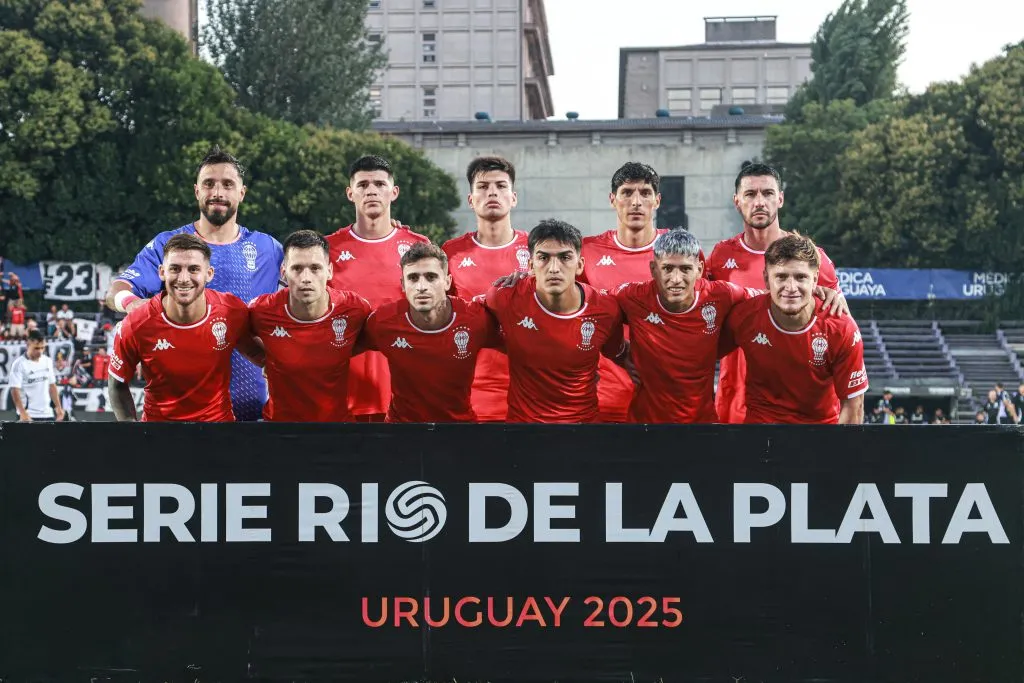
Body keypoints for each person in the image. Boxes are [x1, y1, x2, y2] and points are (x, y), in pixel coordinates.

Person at [103, 147, 282, 421]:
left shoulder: (268, 248)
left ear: (241, 193)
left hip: (255, 412)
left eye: (227, 184)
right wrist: (135, 305)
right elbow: (117, 290)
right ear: (197, 190)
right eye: (209, 183)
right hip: (181, 414)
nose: (218, 193)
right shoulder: (170, 244)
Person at [707, 162, 844, 424]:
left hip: (801, 408)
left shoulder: (813, 258)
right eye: (750, 194)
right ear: (737, 201)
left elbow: (839, 329)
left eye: (768, 193)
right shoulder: (720, 258)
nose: (760, 202)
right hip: (738, 405)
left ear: (780, 198)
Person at [107, 234, 263, 422]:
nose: (183, 278)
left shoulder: (231, 311)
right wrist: (134, 435)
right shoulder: (137, 324)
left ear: (209, 274)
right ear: (162, 272)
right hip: (159, 436)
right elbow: (117, 384)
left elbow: (258, 354)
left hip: (219, 433)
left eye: (193, 269)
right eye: (175, 269)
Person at [484, 219, 625, 423]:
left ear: (580, 265)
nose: (554, 268)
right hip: (523, 430)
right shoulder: (503, 298)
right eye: (543, 258)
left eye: (565, 257)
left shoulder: (606, 309)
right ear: (531, 265)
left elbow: (619, 353)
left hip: (583, 429)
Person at [326, 155, 431, 422]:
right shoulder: (327, 250)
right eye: (362, 185)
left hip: (404, 394)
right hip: (341, 394)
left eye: (379, 184)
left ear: (393, 192)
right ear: (350, 193)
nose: (371, 190)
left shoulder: (419, 247)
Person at [720, 234, 866, 424]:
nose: (791, 287)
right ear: (766, 279)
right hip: (760, 435)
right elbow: (702, 354)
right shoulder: (745, 316)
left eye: (800, 277)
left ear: (815, 280)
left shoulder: (841, 328)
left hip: (820, 435)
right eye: (781, 277)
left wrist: (837, 452)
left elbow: (854, 405)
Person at [614, 229, 756, 423]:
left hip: (701, 425)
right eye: (668, 268)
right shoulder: (632, 296)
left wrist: (811, 294)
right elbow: (593, 307)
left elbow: (767, 297)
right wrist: (618, 353)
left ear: (699, 269)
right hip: (645, 425)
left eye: (685, 269)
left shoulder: (722, 294)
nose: (676, 279)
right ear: (653, 269)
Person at [360, 242, 501, 422]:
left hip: (459, 428)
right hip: (402, 430)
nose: (421, 287)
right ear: (402, 284)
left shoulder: (476, 319)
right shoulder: (383, 322)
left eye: (431, 277)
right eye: (413, 278)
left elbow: (519, 344)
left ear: (447, 282)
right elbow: (340, 348)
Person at [579, 162, 673, 423]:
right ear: (613, 199)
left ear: (657, 200)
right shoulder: (586, 252)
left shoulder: (678, 253)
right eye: (627, 192)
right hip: (604, 398)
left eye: (644, 193)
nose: (636, 202)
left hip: (666, 401)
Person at [249, 230, 371, 422]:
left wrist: (339, 350)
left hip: (338, 428)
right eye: (297, 268)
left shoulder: (355, 308)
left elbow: (377, 338)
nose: (306, 278)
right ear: (283, 271)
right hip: (278, 429)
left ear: (329, 270)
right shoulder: (260, 310)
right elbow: (237, 336)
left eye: (315, 268)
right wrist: (267, 358)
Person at [442, 156, 529, 422]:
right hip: (469, 390)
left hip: (530, 390)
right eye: (482, 186)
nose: (492, 192)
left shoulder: (538, 251)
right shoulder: (451, 252)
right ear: (471, 200)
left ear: (513, 197)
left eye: (501, 186)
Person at [9, 329, 65, 423]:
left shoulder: (47, 361)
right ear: (28, 345)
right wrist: (23, 413)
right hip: (28, 415)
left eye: (42, 348)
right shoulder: (19, 364)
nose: (40, 351)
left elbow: (52, 386)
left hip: (48, 414)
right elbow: (14, 390)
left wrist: (59, 408)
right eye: (36, 348)